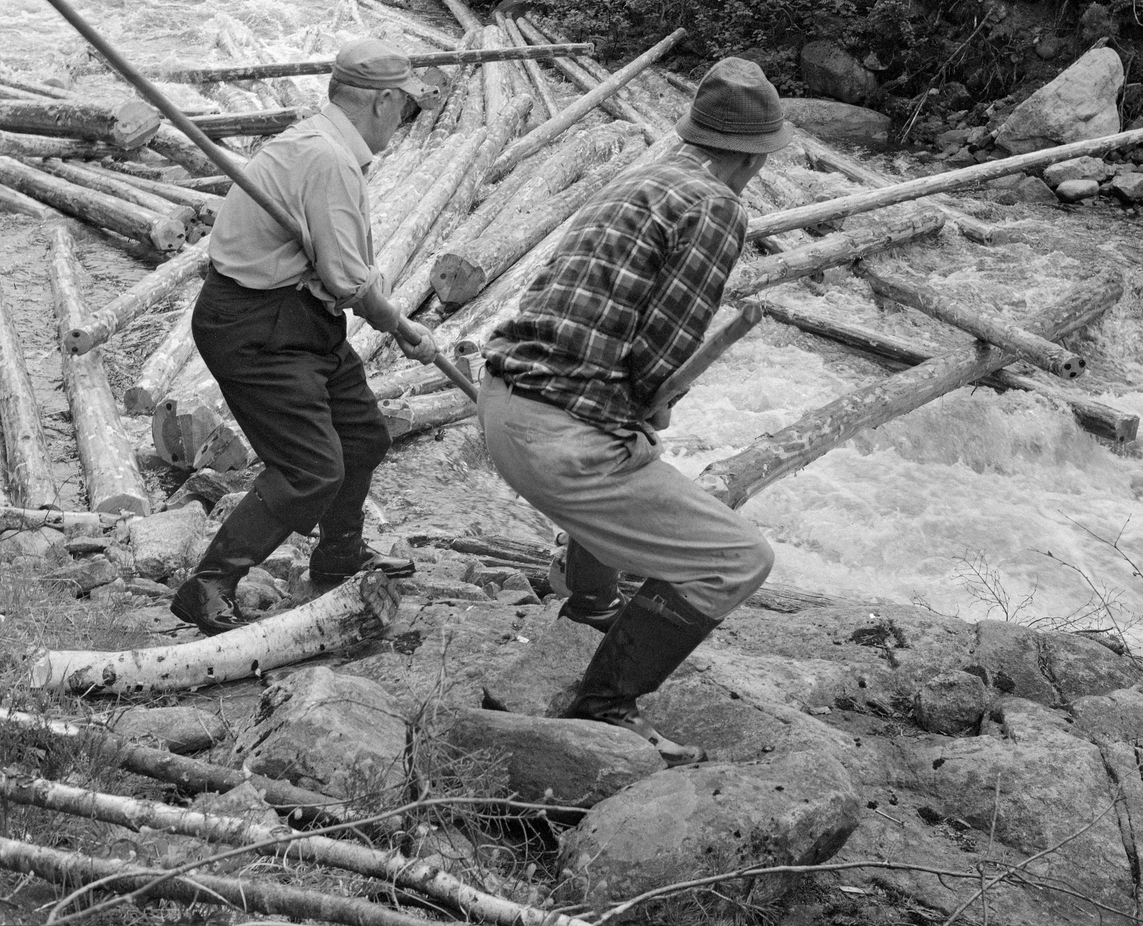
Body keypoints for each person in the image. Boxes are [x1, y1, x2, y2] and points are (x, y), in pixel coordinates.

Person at [478, 56, 791, 765]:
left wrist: (634, 415)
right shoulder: (716, 206)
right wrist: (655, 403)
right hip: (555, 435)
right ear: (752, 156)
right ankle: (606, 707)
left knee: (634, 464)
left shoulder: (644, 180)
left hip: (503, 403)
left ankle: (587, 614)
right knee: (736, 561)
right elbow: (662, 350)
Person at [171, 39, 439, 636]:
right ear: (384, 101)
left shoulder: (319, 142)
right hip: (256, 324)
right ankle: (209, 585)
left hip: (298, 316)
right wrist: (401, 325)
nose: (407, 119)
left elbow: (334, 273)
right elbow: (348, 280)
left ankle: (339, 557)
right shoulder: (327, 160)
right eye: (408, 107)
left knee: (364, 437)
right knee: (310, 469)